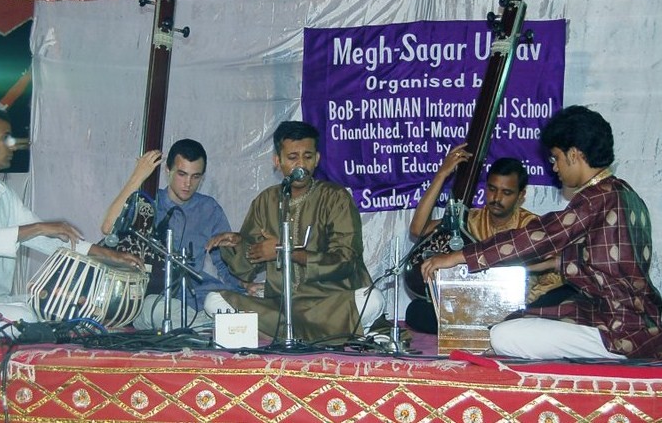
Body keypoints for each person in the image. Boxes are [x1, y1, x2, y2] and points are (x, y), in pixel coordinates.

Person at [421, 105, 662, 359]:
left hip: (619, 330)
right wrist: (534, 265)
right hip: (638, 321)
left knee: (503, 335)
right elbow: (596, 263)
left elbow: (540, 237)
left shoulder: (596, 198)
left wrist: (459, 257)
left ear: (574, 155)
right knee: (522, 316)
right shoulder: (624, 193)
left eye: (555, 158)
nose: (555, 168)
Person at [0, 108, 144, 338]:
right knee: (27, 319)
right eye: (5, 138)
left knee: (60, 310)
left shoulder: (3, 194)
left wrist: (109, 255)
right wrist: (39, 227)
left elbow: (47, 241)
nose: (13, 145)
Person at [204, 121, 385, 343]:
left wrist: (285, 251)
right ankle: (334, 333)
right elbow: (247, 270)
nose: (301, 164)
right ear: (277, 161)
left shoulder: (336, 198)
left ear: (317, 159)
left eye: (308, 157)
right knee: (214, 301)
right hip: (279, 305)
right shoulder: (266, 201)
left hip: (328, 303)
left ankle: (281, 334)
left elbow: (346, 260)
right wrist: (236, 246)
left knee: (372, 300)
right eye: (292, 158)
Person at [405, 145, 567, 334]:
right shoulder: (470, 220)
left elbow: (551, 280)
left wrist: (514, 306)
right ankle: (488, 327)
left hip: (518, 308)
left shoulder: (533, 226)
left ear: (521, 195)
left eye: (506, 193)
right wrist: (442, 175)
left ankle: (492, 327)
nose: (497, 198)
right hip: (472, 306)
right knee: (416, 311)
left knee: (559, 300)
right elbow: (418, 228)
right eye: (492, 189)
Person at [101, 139, 244, 331]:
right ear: (168, 171)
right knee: (157, 309)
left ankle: (222, 324)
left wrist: (243, 288)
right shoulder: (149, 203)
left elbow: (224, 263)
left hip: (196, 296)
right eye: (182, 174)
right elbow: (108, 227)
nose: (188, 184)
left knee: (227, 300)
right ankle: (217, 327)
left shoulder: (209, 208)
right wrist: (137, 177)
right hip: (156, 297)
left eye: (196, 177)